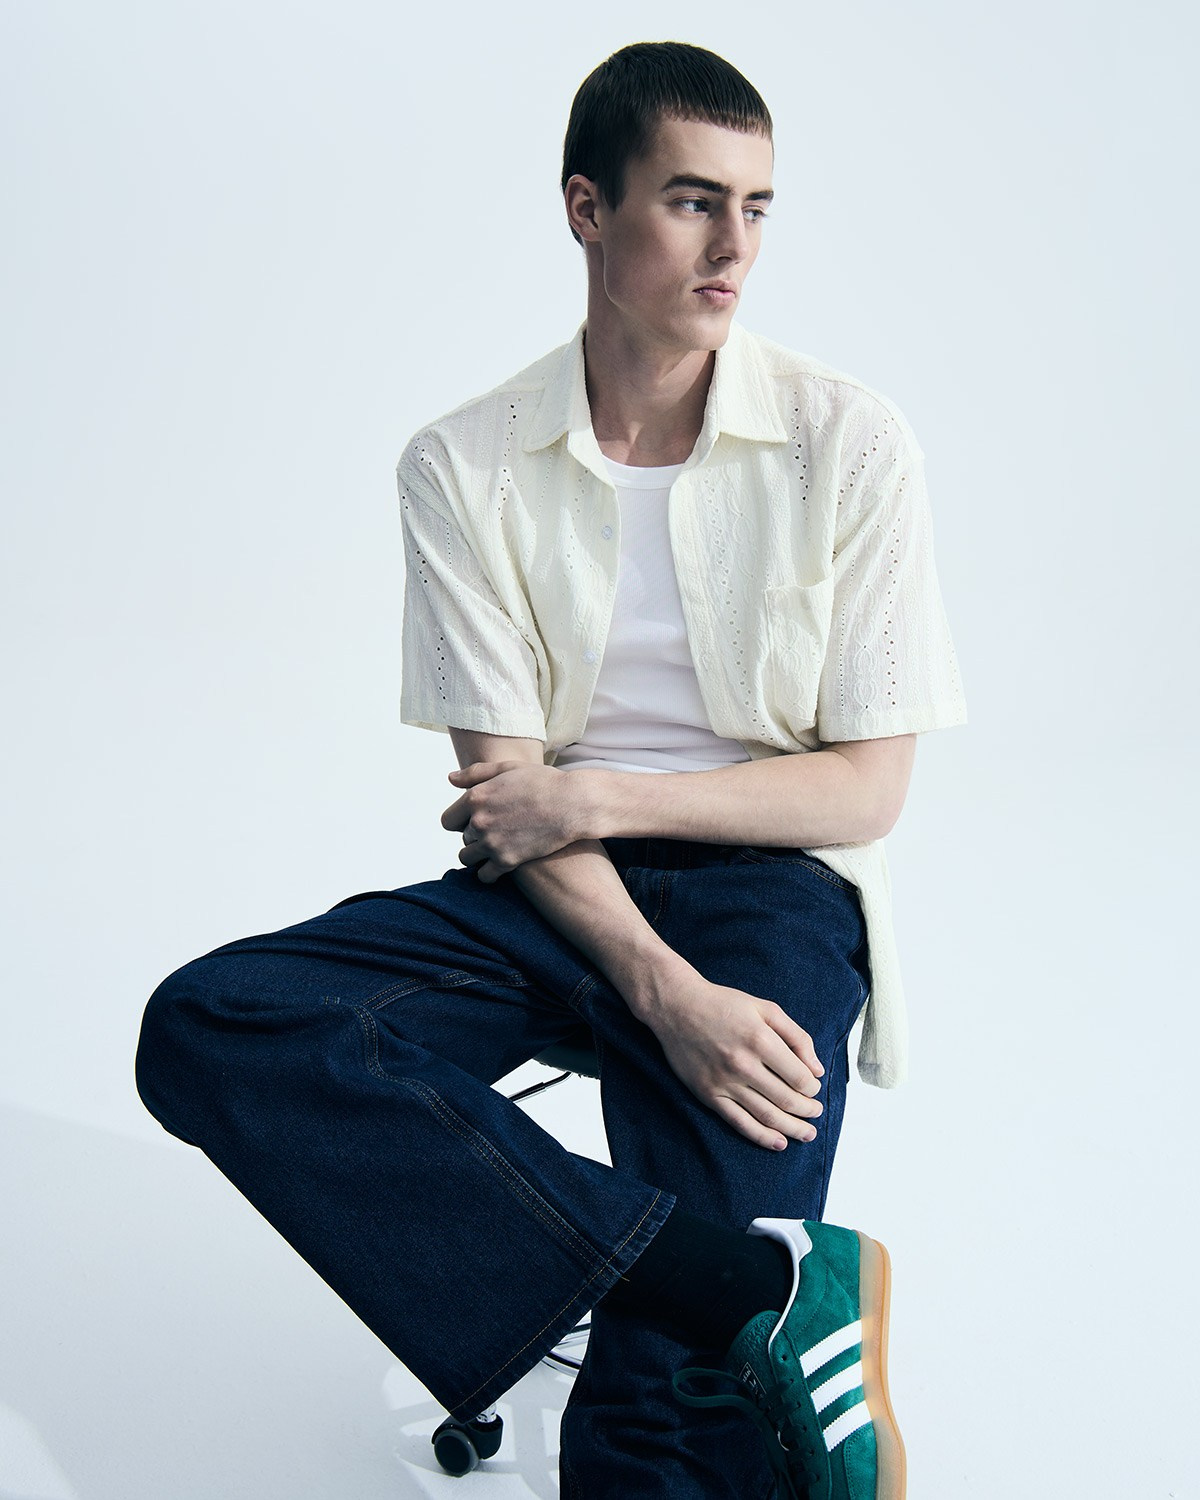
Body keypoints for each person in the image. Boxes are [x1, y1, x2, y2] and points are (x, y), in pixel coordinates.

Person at [135, 40, 966, 1500]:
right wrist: (662, 991)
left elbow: (863, 789)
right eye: (693, 201)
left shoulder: (847, 442)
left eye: (759, 207)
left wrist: (606, 798)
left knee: (655, 1407)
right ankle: (746, 1283)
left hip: (771, 892)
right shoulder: (463, 464)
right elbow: (507, 797)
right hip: (555, 894)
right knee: (216, 1024)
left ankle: (688, 1308)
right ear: (588, 208)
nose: (735, 247)